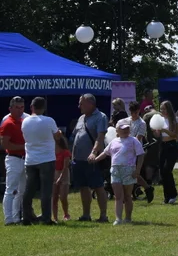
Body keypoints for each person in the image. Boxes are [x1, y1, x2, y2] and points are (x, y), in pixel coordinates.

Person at [90, 118, 144, 225]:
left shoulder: (134, 141)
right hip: (115, 170)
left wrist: (137, 170)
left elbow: (141, 155)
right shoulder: (114, 142)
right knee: (118, 196)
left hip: (129, 170)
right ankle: (118, 219)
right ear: (117, 130)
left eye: (127, 128)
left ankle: (128, 218)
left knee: (128, 195)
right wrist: (95, 159)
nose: (125, 131)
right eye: (122, 129)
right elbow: (105, 153)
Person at [20, 96, 62, 224]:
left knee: (29, 189)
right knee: (46, 190)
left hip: (30, 159)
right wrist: (58, 133)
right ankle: (45, 218)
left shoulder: (25, 121)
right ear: (43, 108)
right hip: (46, 158)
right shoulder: (49, 121)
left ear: (31, 107)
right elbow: (57, 137)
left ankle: (26, 216)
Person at [71, 94, 109, 222]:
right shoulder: (81, 118)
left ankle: (103, 216)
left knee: (98, 186)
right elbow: (76, 137)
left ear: (90, 103)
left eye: (81, 103)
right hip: (78, 159)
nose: (79, 106)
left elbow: (100, 137)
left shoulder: (100, 117)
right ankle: (86, 215)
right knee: (83, 186)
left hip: (93, 159)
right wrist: (72, 157)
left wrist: (94, 152)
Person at [1, 96, 26, 225]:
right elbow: (5, 145)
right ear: (10, 108)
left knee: (21, 191)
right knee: (11, 189)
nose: (20, 110)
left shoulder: (23, 121)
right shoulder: (8, 123)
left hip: (23, 159)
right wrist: (24, 147)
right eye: (17, 107)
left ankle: (17, 217)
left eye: (22, 107)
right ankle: (8, 218)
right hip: (13, 159)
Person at [155, 100, 178, 205]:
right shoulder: (160, 119)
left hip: (171, 146)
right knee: (162, 172)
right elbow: (158, 135)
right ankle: (167, 196)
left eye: (164, 108)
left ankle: (173, 194)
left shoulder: (173, 120)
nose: (162, 111)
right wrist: (157, 131)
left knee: (167, 170)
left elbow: (175, 135)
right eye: (161, 108)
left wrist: (164, 130)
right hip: (163, 146)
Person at [53, 134, 72, 221]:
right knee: (54, 197)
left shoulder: (65, 152)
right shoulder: (51, 152)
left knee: (63, 196)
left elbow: (65, 167)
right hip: (53, 173)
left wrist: (60, 178)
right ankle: (55, 218)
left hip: (64, 174)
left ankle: (66, 213)